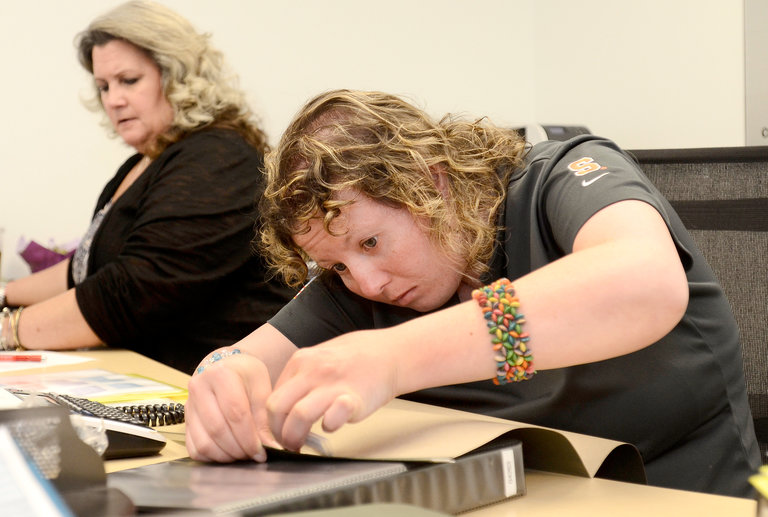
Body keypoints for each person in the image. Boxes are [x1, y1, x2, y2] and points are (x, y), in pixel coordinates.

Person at [184, 89, 761, 498]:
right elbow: (245, 358)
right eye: (336, 265)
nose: (368, 282)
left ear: (428, 181)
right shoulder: (361, 283)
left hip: (678, 495)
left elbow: (642, 283)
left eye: (371, 241)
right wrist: (223, 377)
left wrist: (396, 358)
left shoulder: (563, 176)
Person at [0, 0, 294, 374]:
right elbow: (84, 268)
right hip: (151, 372)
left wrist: (8, 329)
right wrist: (5, 295)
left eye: (129, 80)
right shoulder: (144, 161)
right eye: (103, 86)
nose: (113, 100)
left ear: (177, 76)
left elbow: (135, 290)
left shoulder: (219, 158)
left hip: (210, 382)